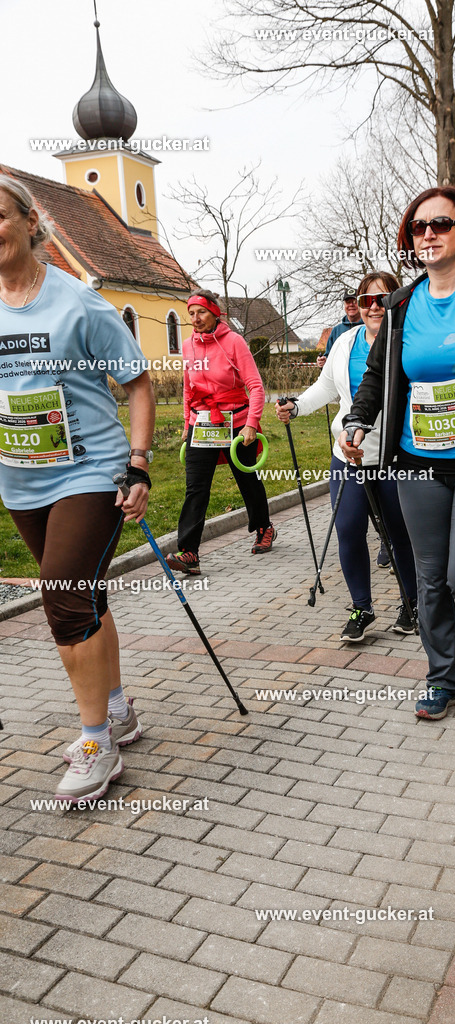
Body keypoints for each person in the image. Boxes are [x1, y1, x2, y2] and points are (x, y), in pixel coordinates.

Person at [339, 186, 455, 717]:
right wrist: (358, 420)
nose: (429, 233)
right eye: (419, 227)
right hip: (417, 463)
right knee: (429, 578)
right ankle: (443, 677)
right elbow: (379, 374)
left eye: (440, 224)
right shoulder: (400, 305)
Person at [0, 175, 155, 803]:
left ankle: (97, 742)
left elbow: (138, 382)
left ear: (30, 223)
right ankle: (118, 707)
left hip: (91, 472)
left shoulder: (80, 303)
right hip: (21, 477)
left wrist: (140, 464)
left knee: (63, 596)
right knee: (83, 593)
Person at [277, 272, 418, 641]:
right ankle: (362, 607)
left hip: (393, 456)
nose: (373, 306)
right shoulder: (346, 342)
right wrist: (296, 406)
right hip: (347, 456)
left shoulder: (410, 342)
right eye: (366, 299)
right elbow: (325, 387)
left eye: (382, 298)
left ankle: (412, 602)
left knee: (398, 533)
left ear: (396, 302)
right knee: (348, 529)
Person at [167, 291, 276, 573]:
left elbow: (255, 386)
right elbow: (188, 386)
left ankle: (264, 527)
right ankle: (188, 552)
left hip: (237, 420)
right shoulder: (189, 345)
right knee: (196, 488)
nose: (195, 319)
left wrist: (252, 422)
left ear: (215, 313)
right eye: (190, 314)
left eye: (200, 312)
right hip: (202, 423)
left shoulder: (234, 342)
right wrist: (185, 423)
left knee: (247, 480)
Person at [316, 291, 361, 368]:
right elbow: (329, 356)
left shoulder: (368, 327)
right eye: (348, 302)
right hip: (341, 377)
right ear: (344, 305)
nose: (351, 305)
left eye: (354, 301)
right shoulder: (336, 330)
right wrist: (323, 361)